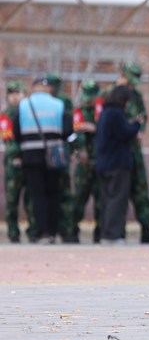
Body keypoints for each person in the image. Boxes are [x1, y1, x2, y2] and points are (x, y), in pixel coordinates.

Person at [13, 77, 72, 244]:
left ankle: (42, 232)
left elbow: (15, 132)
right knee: (53, 193)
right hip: (54, 154)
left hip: (30, 155)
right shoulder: (59, 104)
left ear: (33, 88)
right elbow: (68, 131)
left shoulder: (24, 105)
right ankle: (53, 231)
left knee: (37, 194)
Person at [106, 62, 149, 243]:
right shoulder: (107, 94)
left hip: (133, 150)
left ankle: (146, 230)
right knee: (114, 194)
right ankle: (114, 232)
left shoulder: (136, 96)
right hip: (114, 151)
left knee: (141, 191)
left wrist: (139, 129)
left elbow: (142, 118)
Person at [95, 86, 142, 244]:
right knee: (117, 200)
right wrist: (136, 125)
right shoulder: (116, 113)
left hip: (103, 163)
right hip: (117, 163)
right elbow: (124, 133)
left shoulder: (104, 112)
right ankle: (112, 235)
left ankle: (106, 233)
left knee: (107, 199)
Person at [45, 72, 78, 243]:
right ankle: (46, 230)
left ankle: (66, 230)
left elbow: (69, 130)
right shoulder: (43, 102)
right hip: (43, 151)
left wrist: (73, 150)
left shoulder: (63, 102)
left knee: (63, 191)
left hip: (60, 151)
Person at [72, 79, 103, 243]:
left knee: (100, 200)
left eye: (91, 96)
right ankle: (71, 232)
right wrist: (80, 150)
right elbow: (77, 132)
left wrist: (94, 128)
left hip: (99, 161)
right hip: (83, 163)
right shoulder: (79, 111)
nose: (87, 99)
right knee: (79, 198)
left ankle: (99, 233)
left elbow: (106, 130)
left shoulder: (101, 111)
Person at [1, 81, 33, 242]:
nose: (14, 97)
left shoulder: (29, 112)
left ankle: (33, 231)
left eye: (17, 94)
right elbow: (8, 138)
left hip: (30, 161)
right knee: (12, 199)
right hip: (13, 164)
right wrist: (16, 156)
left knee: (31, 199)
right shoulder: (6, 115)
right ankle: (13, 233)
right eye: (11, 94)